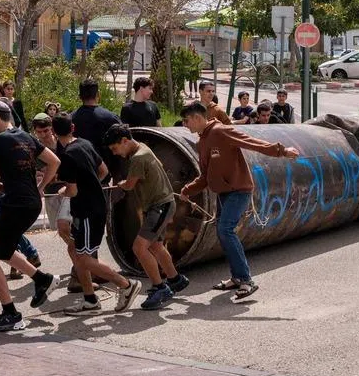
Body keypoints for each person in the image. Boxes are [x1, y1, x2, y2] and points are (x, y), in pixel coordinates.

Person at [179, 102, 300, 300]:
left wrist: (281, 151)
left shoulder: (221, 131)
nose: (184, 124)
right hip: (224, 193)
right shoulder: (202, 142)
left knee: (225, 229)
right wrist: (187, 190)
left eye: (186, 120)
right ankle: (237, 277)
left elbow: (250, 142)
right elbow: (205, 176)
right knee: (223, 232)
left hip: (239, 189)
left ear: (197, 118)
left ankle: (245, 280)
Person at [0, 100, 66, 332]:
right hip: (33, 203)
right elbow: (54, 162)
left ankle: (11, 313)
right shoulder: (26, 136)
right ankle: (42, 280)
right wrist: (42, 186)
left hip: (15, 204)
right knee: (3, 250)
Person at [52, 114, 142, 315]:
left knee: (84, 258)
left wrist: (63, 192)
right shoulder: (84, 144)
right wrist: (93, 186)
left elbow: (72, 191)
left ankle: (126, 285)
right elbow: (103, 171)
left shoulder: (67, 155)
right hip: (96, 205)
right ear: (73, 127)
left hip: (86, 212)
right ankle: (90, 299)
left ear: (53, 133)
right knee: (74, 251)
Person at [105, 124, 189, 310]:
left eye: (115, 148)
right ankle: (175, 279)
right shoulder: (143, 147)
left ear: (125, 141)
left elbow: (129, 185)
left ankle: (160, 287)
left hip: (159, 207)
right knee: (156, 246)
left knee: (139, 247)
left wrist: (120, 184)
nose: (115, 153)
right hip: (162, 204)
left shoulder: (138, 158)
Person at [30, 113, 78, 291]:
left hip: (68, 191)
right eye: (40, 132)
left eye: (46, 130)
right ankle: (81, 257)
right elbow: (41, 173)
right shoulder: (35, 148)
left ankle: (81, 261)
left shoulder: (63, 143)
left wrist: (55, 176)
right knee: (61, 230)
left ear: (52, 129)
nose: (44, 135)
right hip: (51, 193)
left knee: (69, 227)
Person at [71, 78, 122, 167]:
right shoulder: (110, 118)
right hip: (105, 169)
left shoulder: (70, 118)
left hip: (77, 169)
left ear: (80, 96)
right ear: (98, 94)